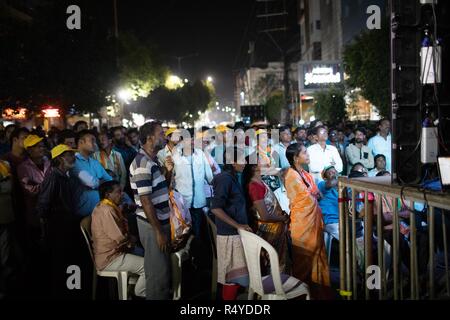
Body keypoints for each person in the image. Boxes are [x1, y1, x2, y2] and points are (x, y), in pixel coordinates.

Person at [129, 121, 172, 300]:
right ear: (149, 138)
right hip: (151, 225)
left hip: (158, 222)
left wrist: (168, 171)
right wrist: (158, 231)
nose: (165, 137)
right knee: (157, 278)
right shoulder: (141, 163)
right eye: (161, 134)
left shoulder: (151, 161)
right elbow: (146, 201)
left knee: (161, 273)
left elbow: (159, 191)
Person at [36, 144, 84, 299]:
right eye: (69, 155)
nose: (73, 157)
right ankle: (61, 293)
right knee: (60, 262)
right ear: (60, 159)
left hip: (67, 224)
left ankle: (71, 289)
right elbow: (43, 204)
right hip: (58, 227)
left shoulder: (65, 176)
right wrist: (46, 230)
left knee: (70, 260)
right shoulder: (53, 177)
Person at [284, 143, 330, 298]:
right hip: (302, 223)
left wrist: (312, 194)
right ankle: (301, 295)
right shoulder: (291, 175)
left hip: (312, 221)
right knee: (304, 260)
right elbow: (306, 200)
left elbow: (317, 194)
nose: (308, 155)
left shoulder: (304, 173)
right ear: (296, 158)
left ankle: (318, 293)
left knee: (317, 256)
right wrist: (312, 194)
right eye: (304, 153)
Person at [91, 180, 145, 298]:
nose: (122, 194)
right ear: (107, 195)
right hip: (110, 258)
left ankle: (131, 290)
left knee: (143, 254)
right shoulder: (107, 211)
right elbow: (120, 238)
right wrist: (133, 239)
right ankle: (142, 292)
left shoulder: (105, 206)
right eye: (118, 192)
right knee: (147, 265)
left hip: (115, 252)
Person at [210, 147, 251, 300]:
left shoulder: (232, 177)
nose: (245, 162)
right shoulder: (225, 179)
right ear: (233, 162)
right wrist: (238, 225)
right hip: (229, 235)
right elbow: (216, 208)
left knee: (235, 276)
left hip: (233, 233)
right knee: (232, 278)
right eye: (242, 159)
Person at [242, 158, 290, 274]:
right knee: (274, 262)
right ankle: (275, 287)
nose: (267, 163)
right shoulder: (254, 186)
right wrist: (284, 218)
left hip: (275, 226)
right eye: (260, 161)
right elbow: (264, 216)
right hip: (268, 230)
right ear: (254, 167)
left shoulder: (260, 181)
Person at [171, 129, 213, 239]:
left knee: (199, 233)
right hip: (183, 203)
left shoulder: (200, 154)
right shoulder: (175, 156)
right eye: (189, 139)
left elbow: (209, 177)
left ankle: (199, 254)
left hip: (199, 202)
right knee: (186, 234)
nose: (192, 141)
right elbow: (171, 178)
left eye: (193, 138)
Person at [71, 130, 112, 216]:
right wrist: (101, 181)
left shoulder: (94, 162)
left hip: (100, 211)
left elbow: (110, 181)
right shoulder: (74, 162)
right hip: (82, 212)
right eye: (92, 140)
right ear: (81, 142)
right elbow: (91, 182)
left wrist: (101, 182)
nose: (95, 143)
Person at [17, 135, 51, 230]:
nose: (42, 148)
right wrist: (50, 184)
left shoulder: (48, 162)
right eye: (38, 146)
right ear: (29, 150)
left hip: (50, 210)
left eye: (43, 146)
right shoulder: (23, 168)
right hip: (35, 210)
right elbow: (31, 191)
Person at [317, 166, 339, 240]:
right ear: (325, 178)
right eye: (330, 173)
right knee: (348, 240)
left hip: (343, 220)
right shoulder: (322, 184)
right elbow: (331, 183)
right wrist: (337, 178)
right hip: (331, 221)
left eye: (335, 171)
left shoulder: (341, 187)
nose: (334, 173)